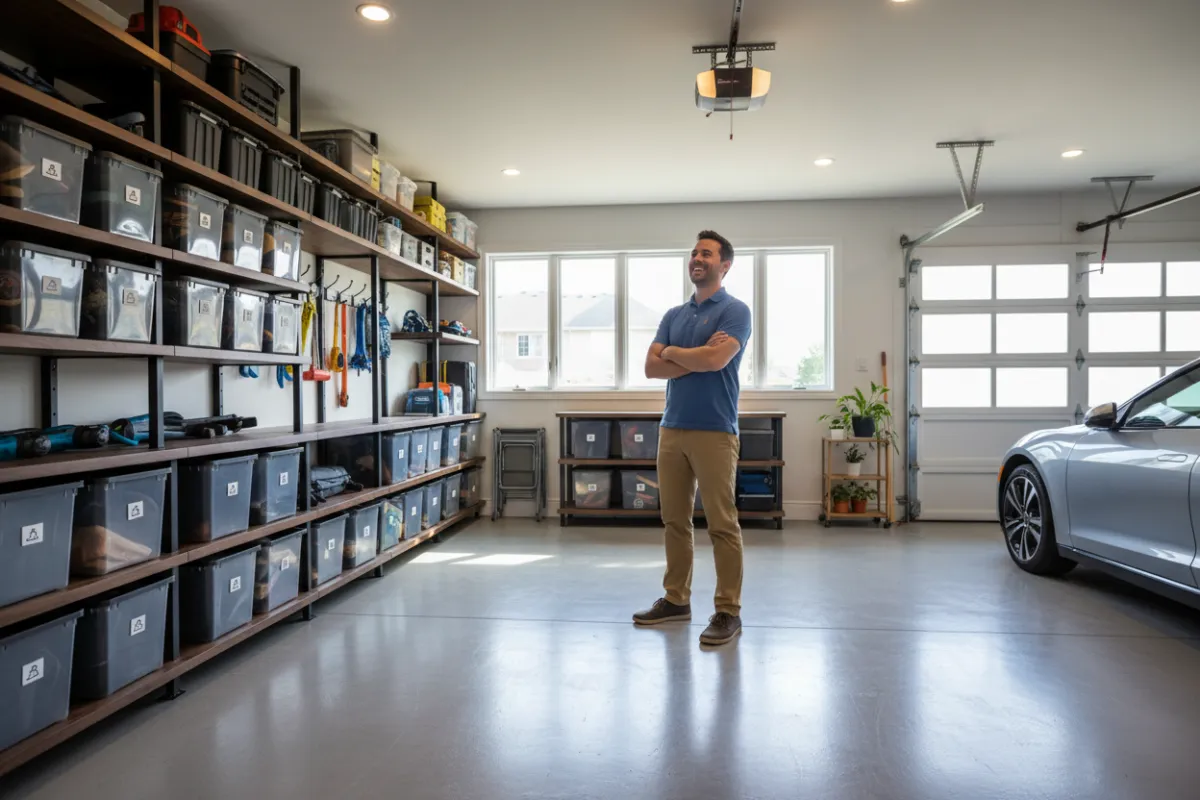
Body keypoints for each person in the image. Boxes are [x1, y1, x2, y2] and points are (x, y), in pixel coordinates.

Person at [633, 230, 752, 646]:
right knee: (674, 521)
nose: (697, 258)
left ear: (725, 265)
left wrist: (673, 354)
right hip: (672, 427)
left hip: (716, 429)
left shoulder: (735, 311)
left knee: (722, 523)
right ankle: (676, 599)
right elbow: (650, 368)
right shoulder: (673, 315)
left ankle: (727, 611)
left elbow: (718, 358)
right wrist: (694, 357)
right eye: (694, 253)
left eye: (707, 253)